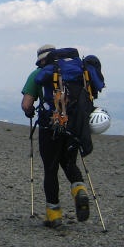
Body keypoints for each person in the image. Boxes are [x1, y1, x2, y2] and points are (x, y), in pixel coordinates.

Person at [21, 44, 90, 228]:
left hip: (49, 127)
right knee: (69, 163)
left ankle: (54, 215)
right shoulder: (74, 72)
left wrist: (29, 112)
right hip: (73, 126)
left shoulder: (38, 74)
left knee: (51, 170)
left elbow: (26, 104)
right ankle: (80, 189)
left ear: (41, 60)